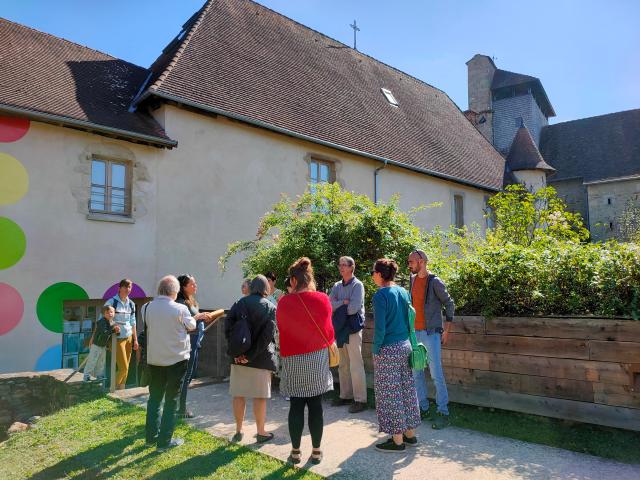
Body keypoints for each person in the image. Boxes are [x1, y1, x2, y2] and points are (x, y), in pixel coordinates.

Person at [277, 257, 334, 465]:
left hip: (293, 358)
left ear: (293, 280)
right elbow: (329, 332)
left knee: (296, 405)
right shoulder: (322, 299)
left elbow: (281, 329)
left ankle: (295, 452)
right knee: (316, 405)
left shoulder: (284, 302)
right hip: (316, 357)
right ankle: (317, 451)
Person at [144, 275, 205, 451]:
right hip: (176, 360)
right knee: (171, 400)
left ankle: (151, 437)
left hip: (154, 360)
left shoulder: (146, 307)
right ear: (175, 291)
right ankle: (164, 441)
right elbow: (192, 326)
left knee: (154, 399)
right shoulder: (180, 308)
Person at [371, 258, 420, 452]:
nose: (372, 275)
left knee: (390, 394)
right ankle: (410, 435)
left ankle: (397, 440)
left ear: (381, 274)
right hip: (405, 345)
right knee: (406, 389)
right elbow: (410, 320)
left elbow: (380, 329)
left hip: (388, 349)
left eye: (373, 272)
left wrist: (375, 350)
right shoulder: (403, 291)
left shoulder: (380, 296)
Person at [225, 275, 277, 444]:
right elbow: (267, 337)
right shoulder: (270, 307)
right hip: (260, 359)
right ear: (265, 289)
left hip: (238, 358)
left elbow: (228, 328)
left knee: (238, 395)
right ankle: (261, 432)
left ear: (251, 287)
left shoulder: (239, 303)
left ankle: (238, 430)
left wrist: (237, 353)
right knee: (259, 397)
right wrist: (251, 356)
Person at [407, 249, 455, 429]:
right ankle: (423, 408)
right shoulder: (411, 281)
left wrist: (447, 330)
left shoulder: (435, 282)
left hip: (431, 334)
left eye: (411, 261)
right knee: (416, 373)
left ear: (421, 261)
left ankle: (443, 412)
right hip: (415, 334)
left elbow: (449, 304)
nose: (409, 265)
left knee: (436, 374)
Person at [175, 274, 224, 418]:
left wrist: (203, 317)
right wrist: (199, 317)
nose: (195, 286)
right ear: (183, 286)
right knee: (185, 376)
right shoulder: (180, 303)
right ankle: (180, 409)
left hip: (195, 342)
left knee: (188, 376)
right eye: (192, 284)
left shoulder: (191, 301)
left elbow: (194, 320)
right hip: (188, 343)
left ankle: (178, 406)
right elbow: (185, 323)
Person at [329, 256, 367, 413]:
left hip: (352, 328)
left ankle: (360, 400)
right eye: (340, 265)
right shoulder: (337, 285)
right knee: (343, 363)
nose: (341, 268)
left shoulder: (358, 285)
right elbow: (329, 305)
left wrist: (342, 305)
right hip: (340, 328)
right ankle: (345, 395)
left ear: (352, 267)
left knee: (355, 364)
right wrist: (343, 302)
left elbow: (353, 309)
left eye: (344, 265)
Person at [105, 279, 138, 390]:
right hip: (117, 338)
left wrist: (135, 340)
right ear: (119, 288)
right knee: (123, 367)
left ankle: (121, 390)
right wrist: (113, 325)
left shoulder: (132, 304)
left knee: (126, 366)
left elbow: (133, 322)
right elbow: (104, 317)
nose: (127, 289)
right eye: (125, 287)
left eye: (129, 287)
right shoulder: (112, 302)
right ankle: (111, 389)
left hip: (129, 337)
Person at [83, 305, 120, 381]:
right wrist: (114, 331)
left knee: (101, 361)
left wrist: (118, 331)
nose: (110, 314)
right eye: (107, 313)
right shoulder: (102, 322)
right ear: (103, 314)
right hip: (96, 345)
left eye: (111, 312)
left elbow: (116, 333)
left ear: (114, 313)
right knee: (92, 360)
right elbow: (104, 332)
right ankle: (86, 375)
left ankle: (99, 375)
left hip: (103, 345)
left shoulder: (112, 322)